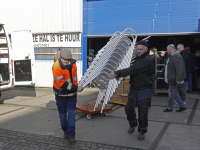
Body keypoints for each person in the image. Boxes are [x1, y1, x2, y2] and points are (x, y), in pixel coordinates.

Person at [107, 40, 153, 141]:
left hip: (144, 90)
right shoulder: (137, 59)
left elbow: (133, 69)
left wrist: (116, 73)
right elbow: (130, 67)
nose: (139, 51)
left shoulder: (146, 60)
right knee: (129, 108)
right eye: (137, 49)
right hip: (134, 88)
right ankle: (132, 123)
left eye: (141, 49)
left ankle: (142, 130)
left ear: (146, 49)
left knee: (143, 112)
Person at [52, 48, 84, 143]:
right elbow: (63, 84)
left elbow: (74, 78)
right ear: (61, 57)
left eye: (68, 59)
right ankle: (65, 130)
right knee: (62, 117)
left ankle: (71, 135)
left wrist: (77, 86)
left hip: (71, 95)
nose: (67, 61)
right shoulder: (56, 67)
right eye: (65, 59)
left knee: (71, 115)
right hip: (61, 95)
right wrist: (76, 88)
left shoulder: (74, 64)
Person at [163, 44, 187, 112]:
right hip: (172, 78)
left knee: (171, 93)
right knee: (175, 93)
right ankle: (182, 106)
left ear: (170, 49)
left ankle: (170, 107)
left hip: (173, 79)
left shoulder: (176, 57)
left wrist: (178, 79)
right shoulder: (173, 56)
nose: (167, 51)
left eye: (167, 50)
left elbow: (179, 69)